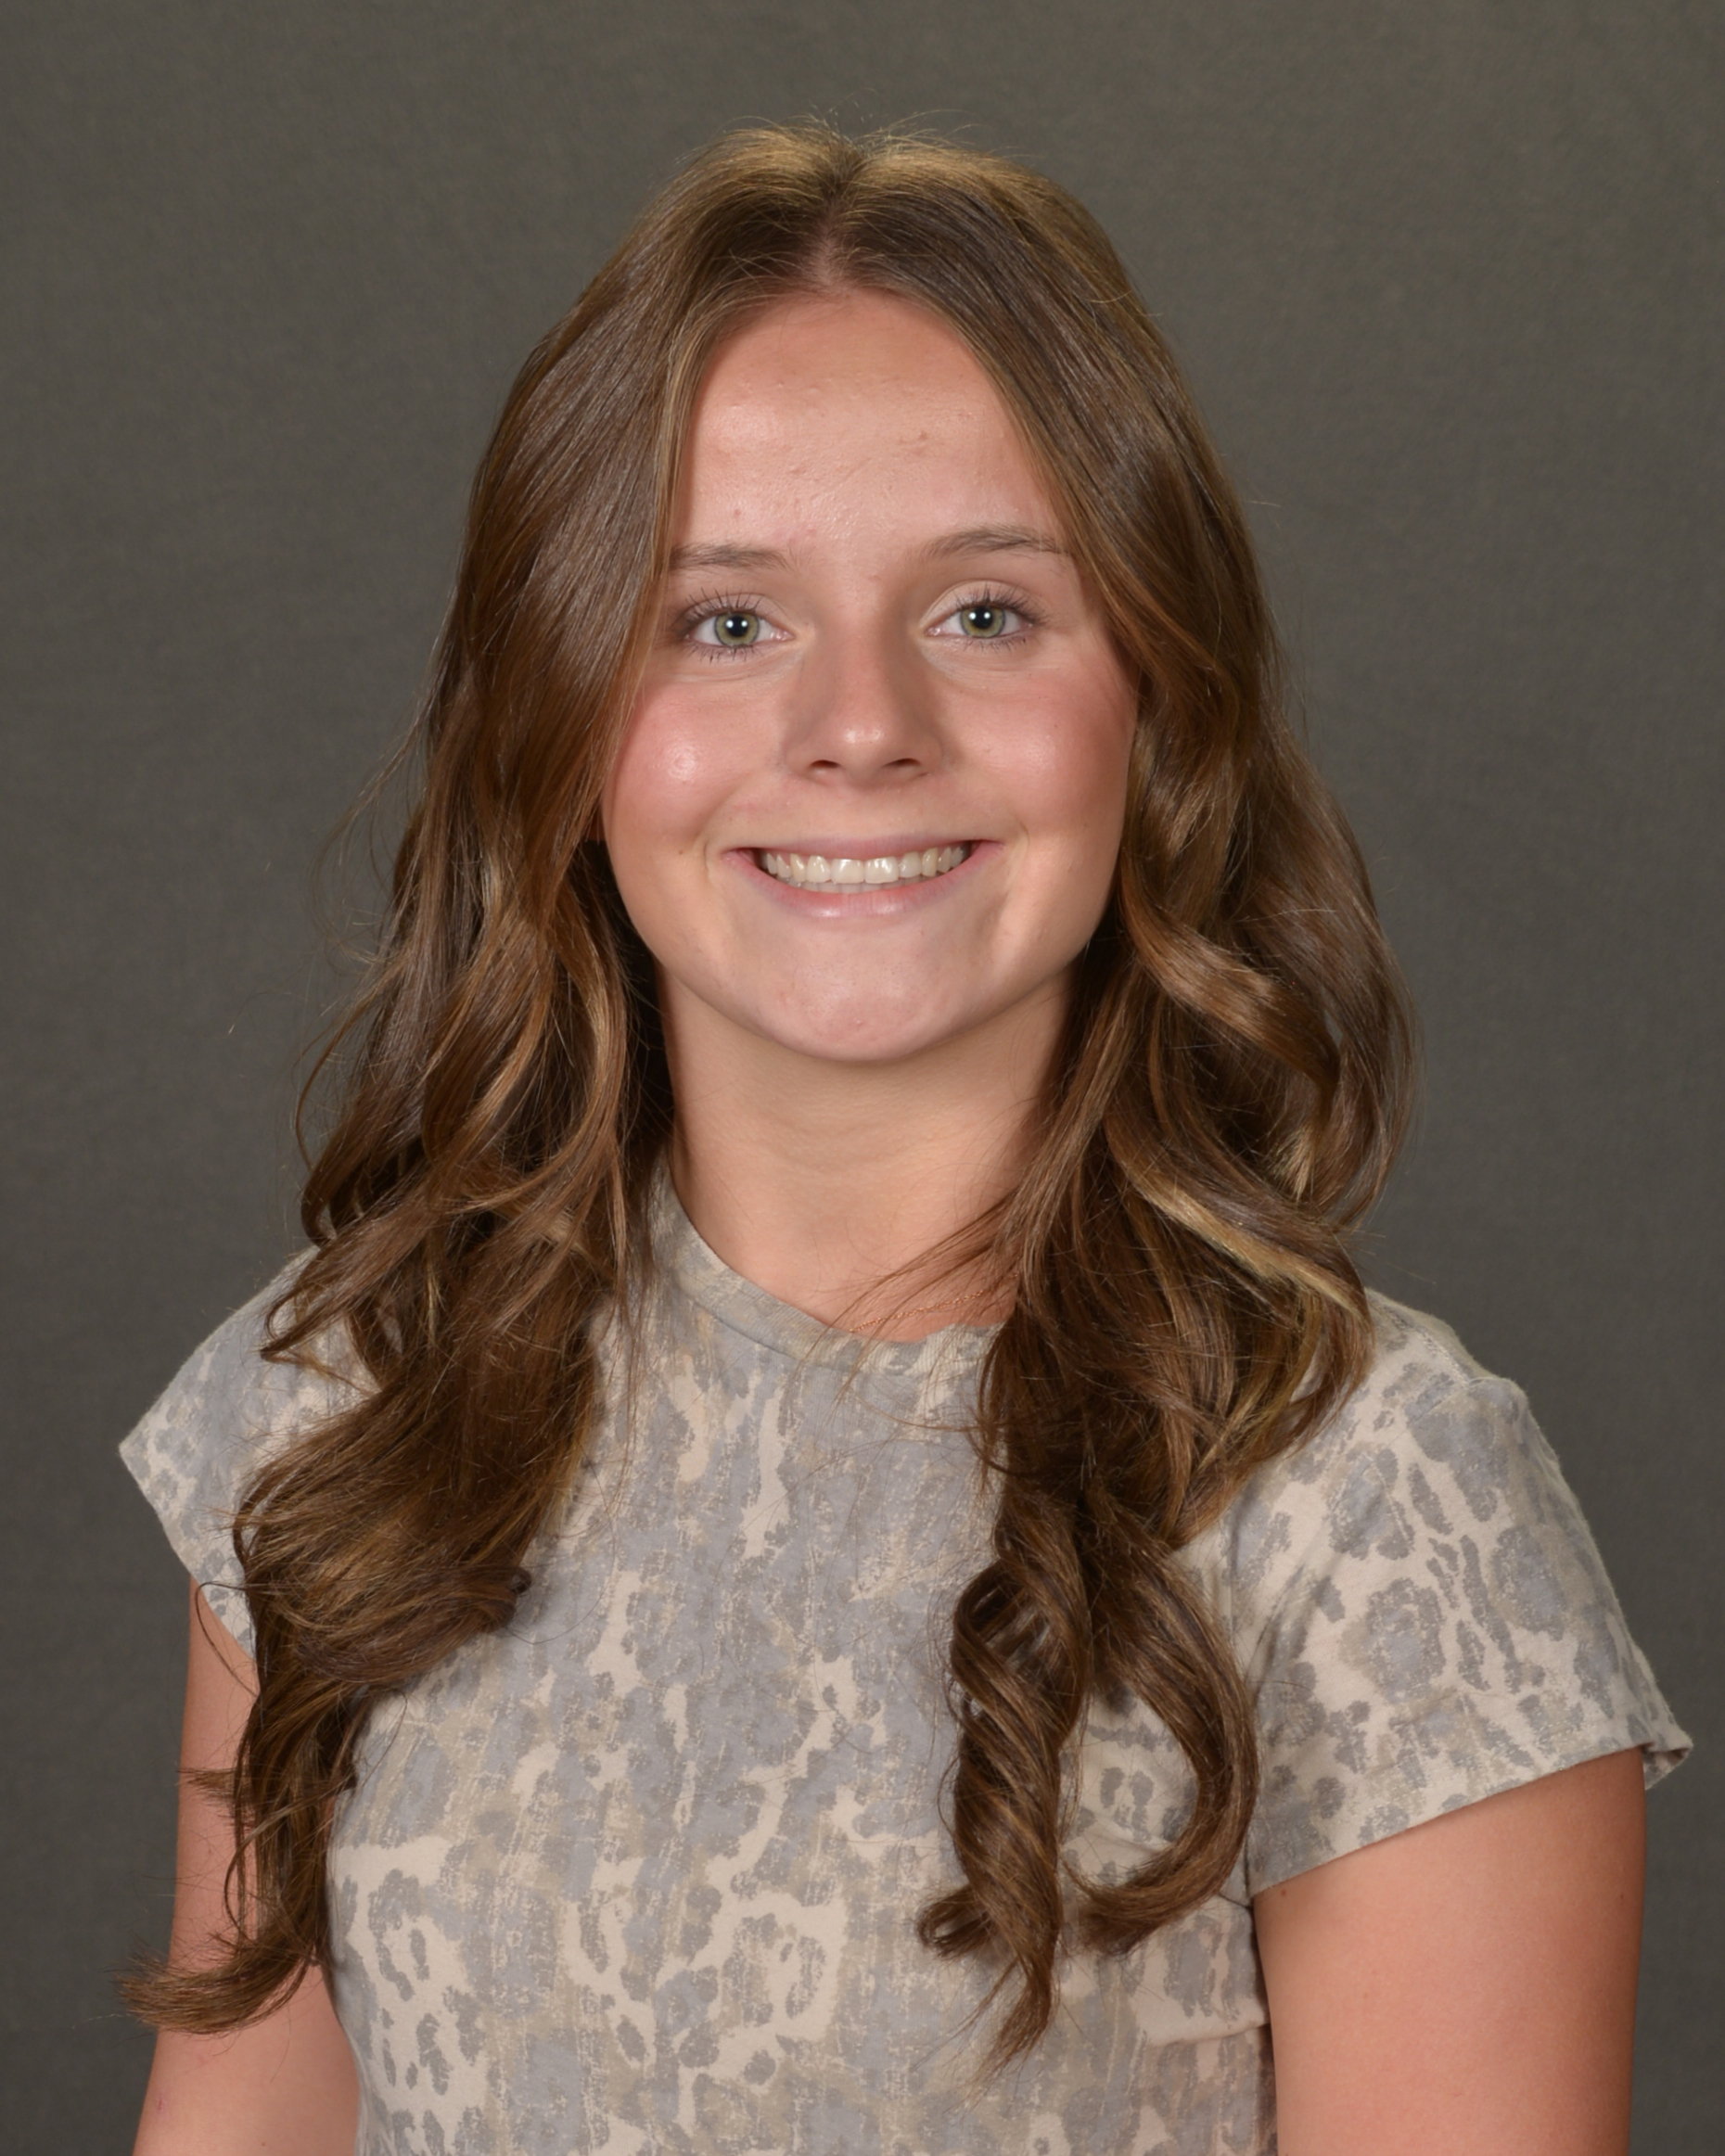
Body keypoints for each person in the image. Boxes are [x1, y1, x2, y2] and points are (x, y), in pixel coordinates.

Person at [120, 125, 1687, 2156]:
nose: (861, 724)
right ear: (562, 715)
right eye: (725, 621)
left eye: (986, 611)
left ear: (1158, 701)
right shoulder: (345, 1413)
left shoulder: (1377, 1504)